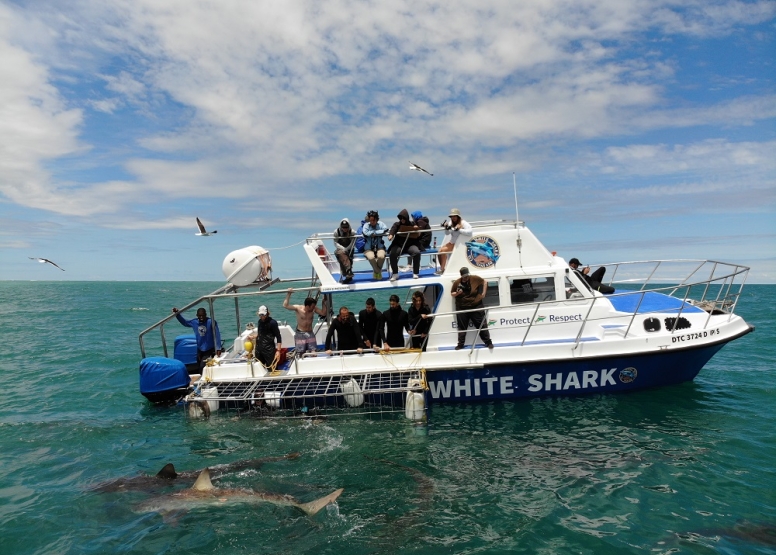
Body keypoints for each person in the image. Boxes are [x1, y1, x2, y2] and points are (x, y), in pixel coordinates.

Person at [451, 267, 493, 350]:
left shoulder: (474, 278)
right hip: (462, 307)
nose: (466, 278)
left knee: (481, 325)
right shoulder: (457, 282)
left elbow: (485, 282)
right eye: (464, 277)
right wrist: (457, 293)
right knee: (462, 327)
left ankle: (488, 342)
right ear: (461, 276)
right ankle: (460, 344)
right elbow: (452, 293)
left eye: (467, 276)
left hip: (476, 305)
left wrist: (483, 293)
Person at [283, 289, 328, 356]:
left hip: (310, 333)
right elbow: (285, 305)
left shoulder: (314, 309)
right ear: (307, 306)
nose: (314, 308)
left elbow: (323, 313)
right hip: (300, 333)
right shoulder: (298, 308)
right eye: (312, 306)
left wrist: (323, 301)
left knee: (313, 352)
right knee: (301, 352)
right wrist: (289, 294)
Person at [387, 208, 422, 281]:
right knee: (392, 253)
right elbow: (393, 229)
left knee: (417, 252)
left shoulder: (412, 224)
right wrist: (391, 235)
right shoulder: (397, 224)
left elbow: (420, 229)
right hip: (399, 245)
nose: (402, 219)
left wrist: (416, 228)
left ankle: (416, 272)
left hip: (410, 245)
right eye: (401, 218)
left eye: (404, 218)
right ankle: (395, 273)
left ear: (407, 218)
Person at [436, 208, 473, 274]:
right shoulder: (451, 222)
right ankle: (443, 268)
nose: (453, 218)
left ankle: (442, 269)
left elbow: (470, 232)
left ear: (458, 216)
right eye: (452, 217)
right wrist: (446, 228)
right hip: (452, 242)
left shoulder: (463, 223)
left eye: (454, 216)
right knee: (439, 251)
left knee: (443, 251)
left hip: (459, 244)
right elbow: (447, 233)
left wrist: (459, 230)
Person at [362, 210, 388, 280]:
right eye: (370, 220)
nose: (372, 222)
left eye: (373, 220)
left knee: (381, 256)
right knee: (371, 257)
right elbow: (365, 233)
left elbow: (385, 230)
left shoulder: (381, 224)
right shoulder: (366, 225)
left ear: (377, 219)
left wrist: (374, 233)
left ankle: (375, 272)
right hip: (368, 248)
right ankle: (378, 272)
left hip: (380, 247)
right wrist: (378, 232)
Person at [333, 218, 356, 283]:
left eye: (346, 227)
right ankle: (348, 272)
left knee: (344, 256)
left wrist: (347, 249)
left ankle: (347, 274)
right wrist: (343, 249)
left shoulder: (352, 232)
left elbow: (353, 242)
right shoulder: (336, 232)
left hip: (350, 248)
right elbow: (335, 243)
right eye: (343, 227)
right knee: (340, 253)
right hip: (340, 249)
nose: (345, 229)